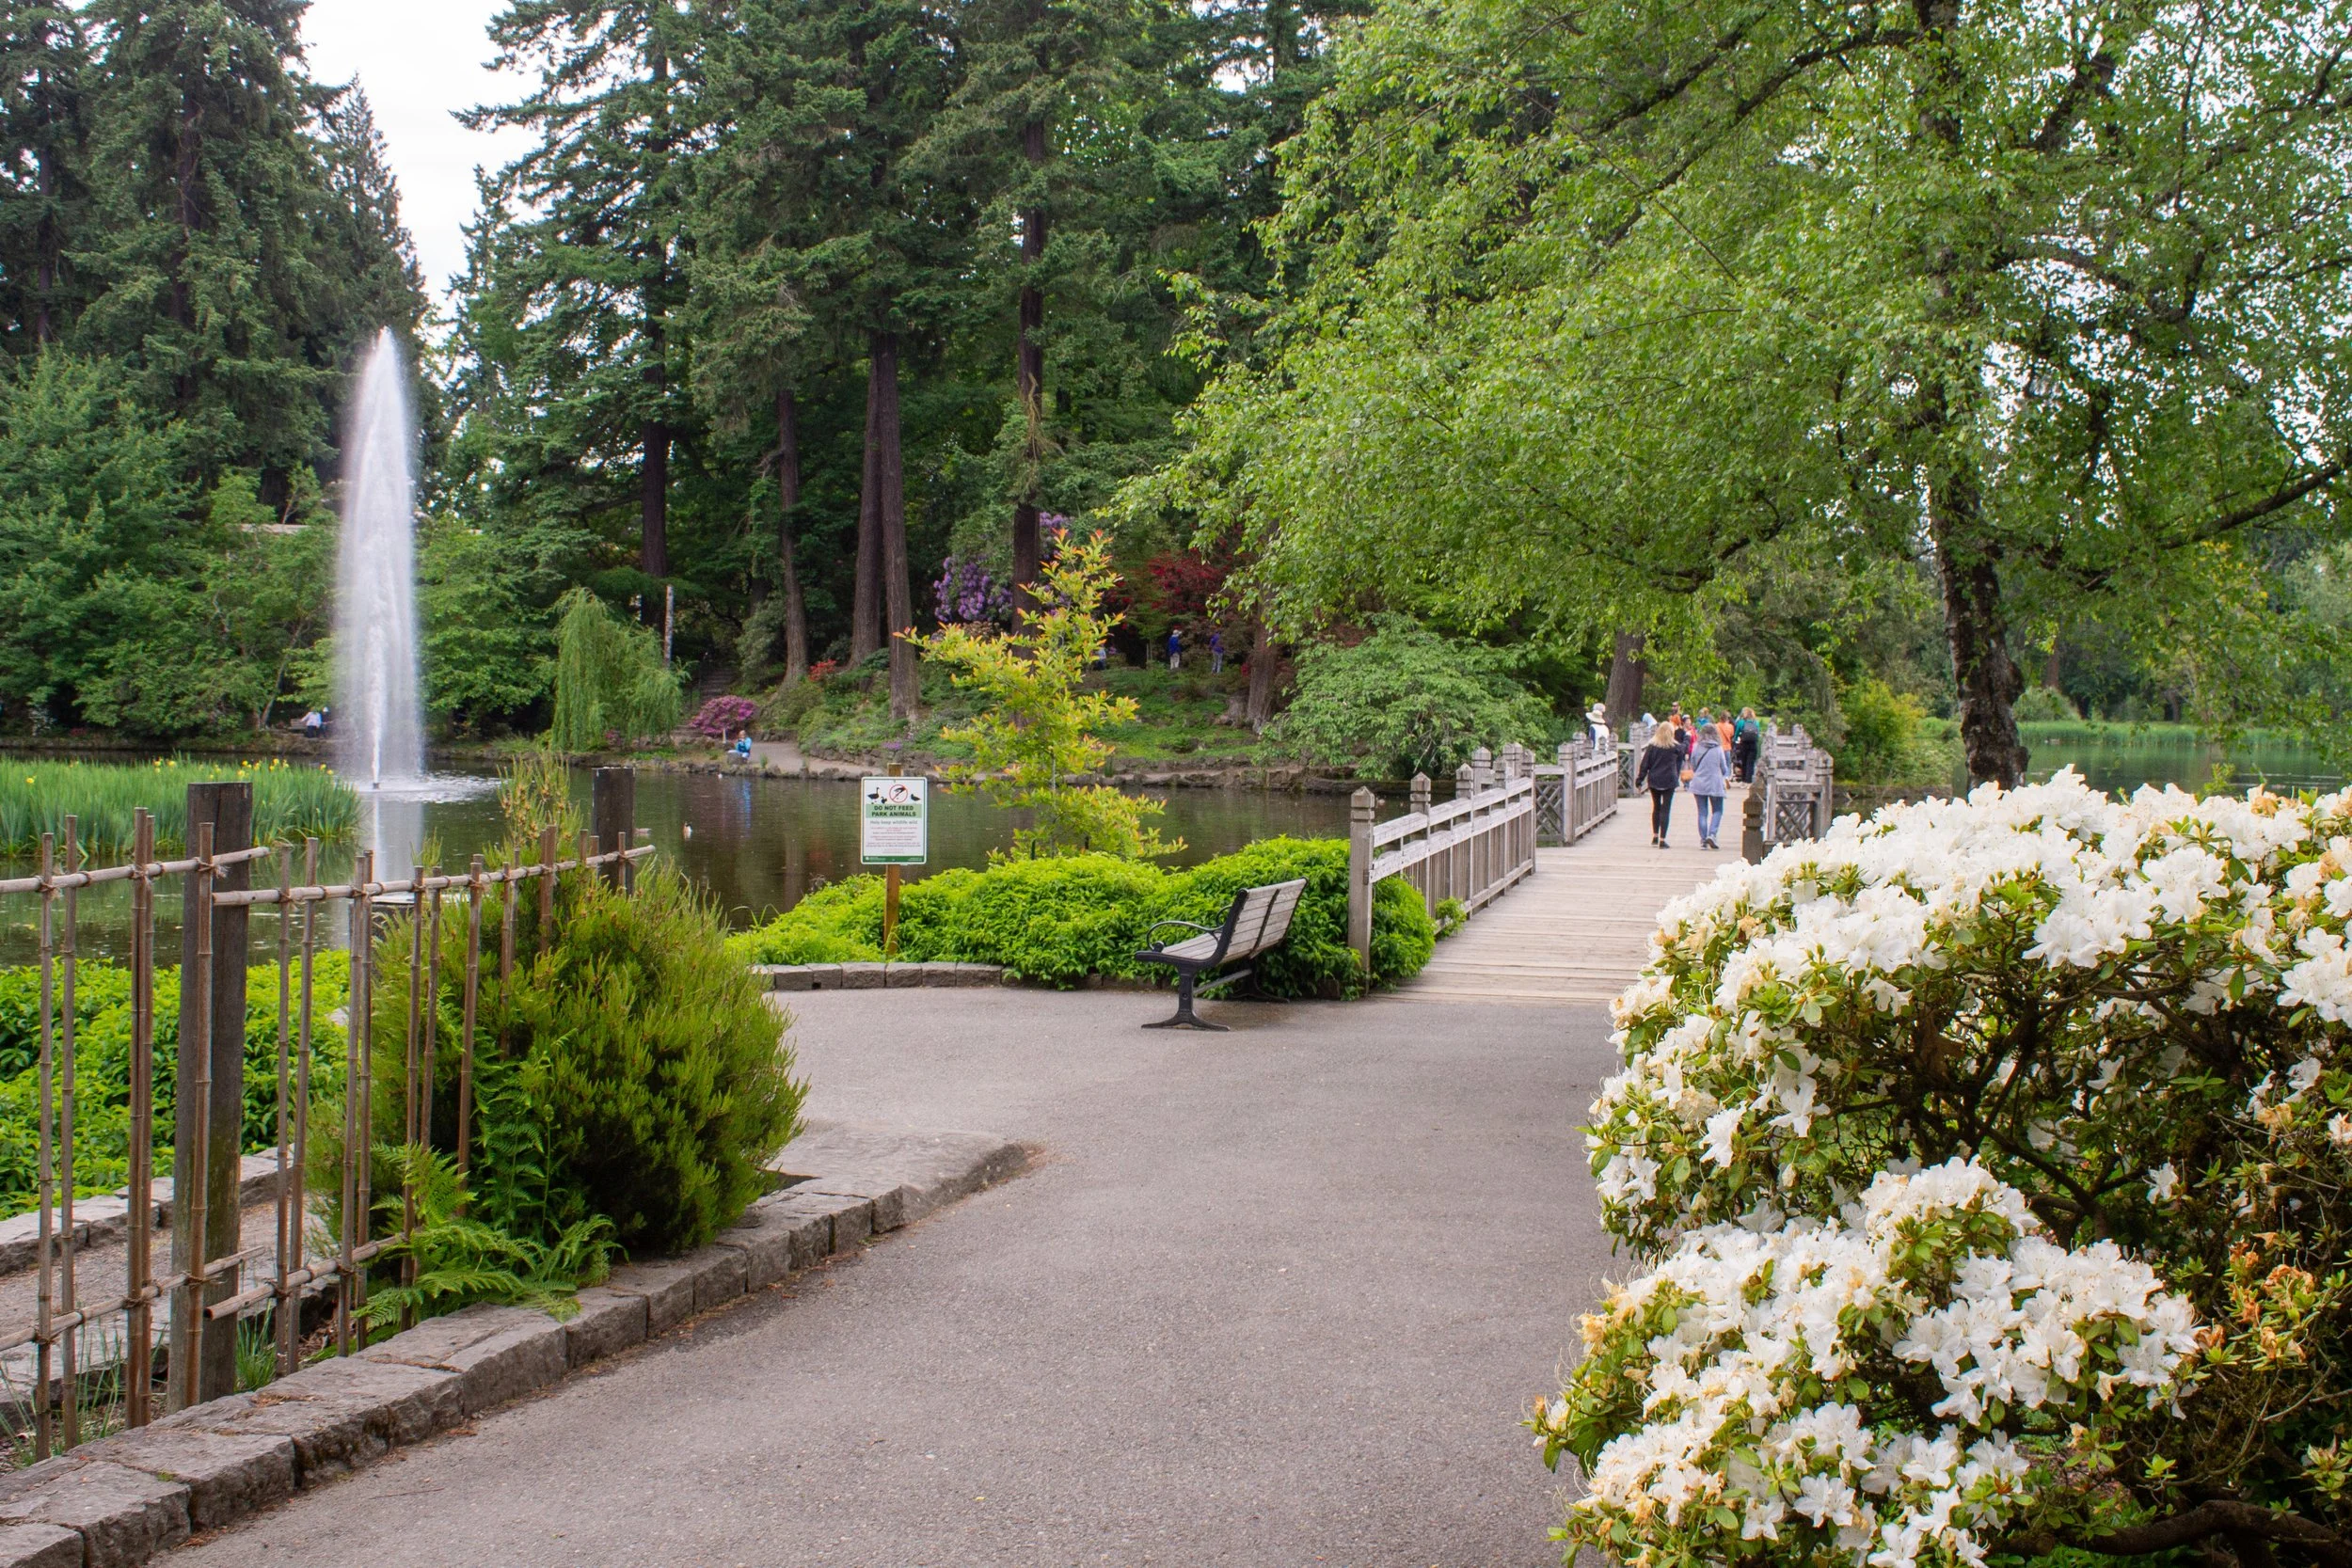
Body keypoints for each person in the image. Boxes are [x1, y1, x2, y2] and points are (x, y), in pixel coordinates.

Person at [1636, 721, 1684, 848]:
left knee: (1656, 807)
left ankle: (1655, 836)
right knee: (1666, 809)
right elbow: (1680, 762)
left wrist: (1640, 779)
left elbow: (1645, 764)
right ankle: (1663, 839)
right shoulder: (1676, 748)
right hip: (1669, 780)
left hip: (1655, 779)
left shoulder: (1652, 747)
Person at [1687, 721, 1732, 849]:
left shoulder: (1696, 747)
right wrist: (1724, 775)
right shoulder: (1718, 748)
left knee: (1702, 812)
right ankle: (1712, 834)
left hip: (1699, 783)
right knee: (1717, 810)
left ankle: (1703, 840)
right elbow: (1724, 767)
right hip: (1715, 783)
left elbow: (1693, 764)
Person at [1733, 707, 1760, 783]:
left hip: (1744, 743)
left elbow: (1737, 733)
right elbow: (1758, 734)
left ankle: (1744, 779)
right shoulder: (1756, 722)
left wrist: (1735, 740)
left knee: (1744, 761)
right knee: (1751, 762)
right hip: (1753, 744)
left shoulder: (1742, 722)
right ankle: (1749, 780)